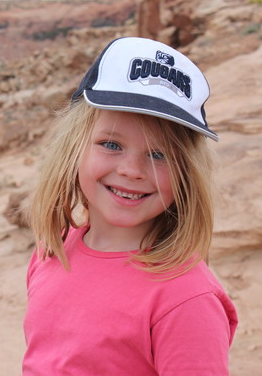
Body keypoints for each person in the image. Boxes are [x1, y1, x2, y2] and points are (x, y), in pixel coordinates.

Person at [22, 37, 238, 375]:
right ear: (73, 148)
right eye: (111, 144)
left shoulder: (185, 298)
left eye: (159, 154)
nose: (131, 171)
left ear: (187, 174)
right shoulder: (53, 250)